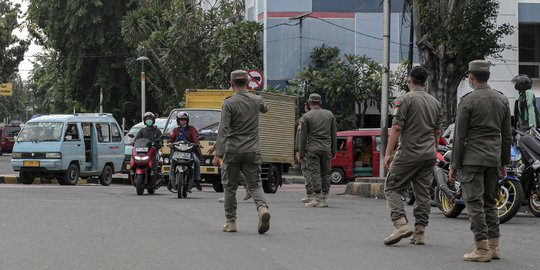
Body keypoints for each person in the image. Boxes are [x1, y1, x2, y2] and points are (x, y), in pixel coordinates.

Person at [449, 60, 512, 262]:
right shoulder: (501, 100)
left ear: (471, 77)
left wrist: (454, 165)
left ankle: (481, 249)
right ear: (488, 76)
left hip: (471, 159)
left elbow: (459, 137)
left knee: (474, 203)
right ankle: (494, 247)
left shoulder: (467, 101)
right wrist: (504, 162)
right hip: (493, 159)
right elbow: (507, 136)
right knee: (490, 203)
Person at [382, 66, 442, 246]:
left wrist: (387, 153)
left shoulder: (404, 100)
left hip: (409, 153)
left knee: (392, 187)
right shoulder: (435, 102)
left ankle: (400, 224)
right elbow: (437, 132)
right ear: (425, 82)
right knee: (423, 194)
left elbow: (397, 128)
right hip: (429, 154)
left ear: (409, 81)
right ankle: (419, 233)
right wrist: (433, 149)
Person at [213, 70, 270, 234]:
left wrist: (218, 153)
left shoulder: (229, 103)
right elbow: (266, 108)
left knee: (230, 187)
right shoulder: (256, 99)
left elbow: (223, 129)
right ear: (247, 82)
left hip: (233, 150)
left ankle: (231, 222)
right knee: (255, 184)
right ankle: (262, 209)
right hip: (252, 150)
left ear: (231, 84)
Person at [298, 93, 337, 208]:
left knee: (315, 173)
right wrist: (334, 150)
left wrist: (301, 153)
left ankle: (317, 198)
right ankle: (324, 198)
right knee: (326, 173)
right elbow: (333, 134)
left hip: (313, 149)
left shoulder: (307, 116)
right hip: (326, 148)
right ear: (320, 103)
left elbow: (303, 137)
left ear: (309, 103)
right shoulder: (330, 115)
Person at [169, 111, 202, 191]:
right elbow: (171, 138)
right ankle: (170, 180)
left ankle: (197, 180)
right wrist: (170, 143)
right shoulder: (175, 130)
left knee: (197, 161)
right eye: (181, 120)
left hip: (190, 150)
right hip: (177, 151)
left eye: (184, 120)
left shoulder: (192, 129)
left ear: (187, 121)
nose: (182, 121)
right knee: (172, 162)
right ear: (178, 121)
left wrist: (197, 144)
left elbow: (195, 137)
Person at [295, 102, 313, 203]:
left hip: (306, 151)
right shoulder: (309, 120)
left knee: (307, 172)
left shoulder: (305, 120)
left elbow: (301, 138)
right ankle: (314, 194)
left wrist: (299, 151)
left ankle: (311, 195)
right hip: (308, 150)